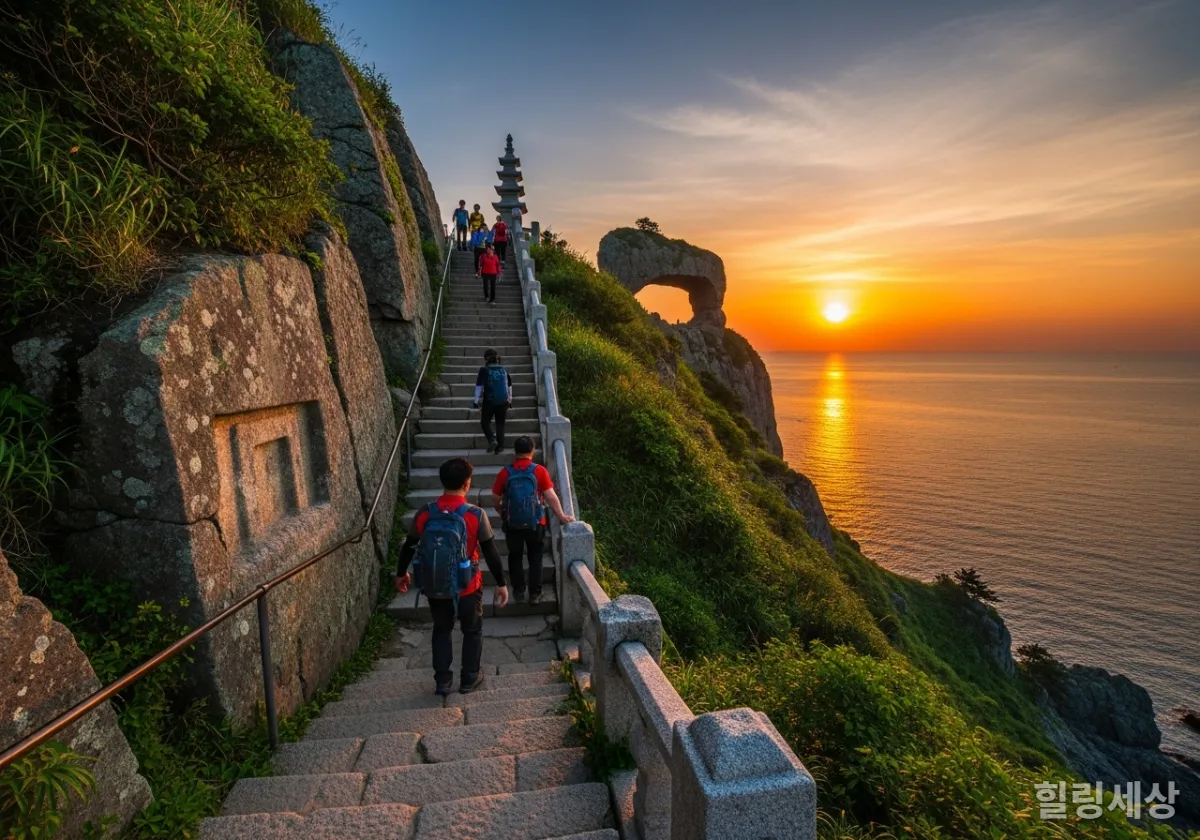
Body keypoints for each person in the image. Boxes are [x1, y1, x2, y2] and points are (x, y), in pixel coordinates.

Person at [394, 457, 510, 694]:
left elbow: (409, 546)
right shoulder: (475, 515)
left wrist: (401, 574)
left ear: (442, 481)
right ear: (467, 483)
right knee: (472, 630)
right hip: (467, 585)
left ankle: (443, 681)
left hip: (436, 584)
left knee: (442, 629)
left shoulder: (426, 512)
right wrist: (501, 583)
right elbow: (491, 552)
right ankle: (469, 678)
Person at [491, 436, 575, 604]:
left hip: (512, 524)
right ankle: (535, 594)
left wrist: (502, 512)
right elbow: (550, 496)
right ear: (532, 451)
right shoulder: (538, 471)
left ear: (515, 452)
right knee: (535, 557)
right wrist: (562, 517)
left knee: (515, 556)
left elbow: (495, 498)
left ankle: (518, 592)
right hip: (535, 523)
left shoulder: (505, 472)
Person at [475, 349, 512, 454]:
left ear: (486, 359)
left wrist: (476, 400)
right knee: (500, 424)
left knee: (485, 422)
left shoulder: (484, 369)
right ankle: (500, 447)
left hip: (489, 400)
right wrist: (510, 399)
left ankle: (492, 439)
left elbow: (479, 386)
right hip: (504, 401)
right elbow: (509, 385)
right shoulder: (504, 369)